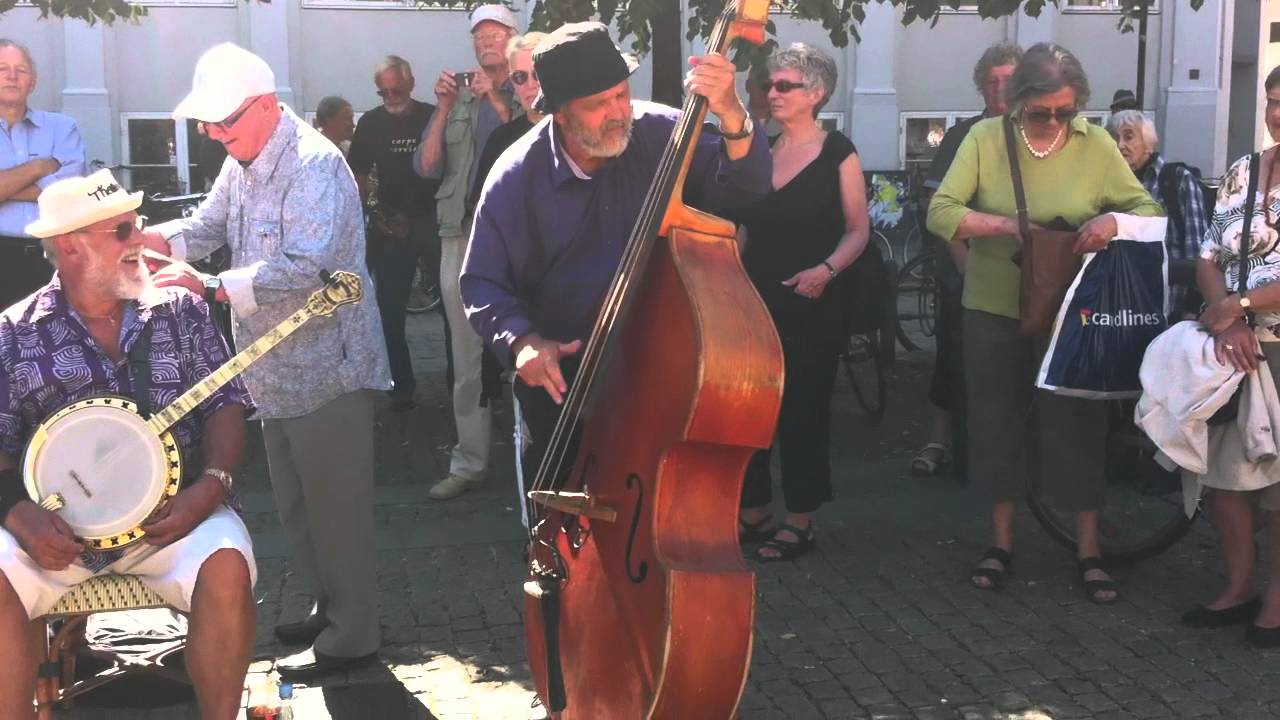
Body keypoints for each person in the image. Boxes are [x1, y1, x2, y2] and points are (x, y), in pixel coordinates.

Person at [141, 42, 391, 680]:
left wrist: (211, 285)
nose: (213, 133)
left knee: (336, 507)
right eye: (208, 123)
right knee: (299, 506)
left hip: (328, 369)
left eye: (224, 121)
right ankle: (325, 605)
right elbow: (208, 225)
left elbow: (306, 266)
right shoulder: (244, 156)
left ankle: (353, 632)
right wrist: (153, 241)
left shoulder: (313, 162)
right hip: (273, 369)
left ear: (266, 106)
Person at [460, 22, 769, 524]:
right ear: (559, 112)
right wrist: (521, 342)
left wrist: (733, 112)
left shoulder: (660, 132)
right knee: (555, 535)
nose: (619, 112)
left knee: (662, 521)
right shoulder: (515, 177)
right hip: (562, 382)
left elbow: (747, 189)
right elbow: (482, 283)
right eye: (598, 104)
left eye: (622, 94)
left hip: (660, 373)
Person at [0, 169, 255, 719]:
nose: (139, 239)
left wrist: (211, 488)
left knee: (227, 563)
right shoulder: (14, 334)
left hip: (176, 517)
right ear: (69, 247)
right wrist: (17, 515)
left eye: (135, 225)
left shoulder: (181, 312)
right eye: (120, 232)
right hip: (57, 540)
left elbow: (226, 402)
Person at [927, 43, 1162, 604]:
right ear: (1017, 101)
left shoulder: (1095, 141)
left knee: (1078, 423)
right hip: (993, 305)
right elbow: (942, 211)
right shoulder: (986, 139)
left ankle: (1087, 549)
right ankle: (1001, 542)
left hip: (1072, 308)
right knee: (996, 422)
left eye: (1066, 110)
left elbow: (1148, 213)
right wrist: (1010, 228)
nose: (1056, 120)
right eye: (1042, 112)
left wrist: (1110, 220)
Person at [731, 43, 869, 561]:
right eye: (771, 84)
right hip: (755, 301)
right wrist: (727, 279)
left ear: (816, 93)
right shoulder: (760, 149)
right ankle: (755, 508)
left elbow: (858, 230)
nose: (772, 93)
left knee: (804, 410)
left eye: (784, 85)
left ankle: (802, 518)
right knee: (749, 408)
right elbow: (746, 225)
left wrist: (826, 271)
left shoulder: (839, 151)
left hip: (812, 301)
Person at [1180, 65, 1280, 648]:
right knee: (1225, 479)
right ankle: (1239, 587)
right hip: (1236, 348)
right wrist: (1228, 313)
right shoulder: (1244, 171)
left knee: (1278, 488)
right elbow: (1208, 254)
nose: (1277, 114)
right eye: (1272, 101)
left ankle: (1276, 598)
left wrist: (1238, 304)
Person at [415, 4, 523, 500]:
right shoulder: (456, 100)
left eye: (496, 33)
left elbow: (530, 145)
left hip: (520, 238)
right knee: (464, 357)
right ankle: (470, 461)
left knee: (528, 348)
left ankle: (541, 461)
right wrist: (441, 109)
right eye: (479, 35)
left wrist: (499, 103)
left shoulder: (528, 88)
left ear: (514, 38)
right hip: (459, 236)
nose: (486, 43)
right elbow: (427, 167)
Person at [912, 42, 1022, 481]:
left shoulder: (1031, 135)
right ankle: (940, 440)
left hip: (1020, 274)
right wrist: (964, 266)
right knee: (956, 358)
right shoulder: (962, 135)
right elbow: (937, 205)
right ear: (981, 87)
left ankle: (1010, 450)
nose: (1000, 89)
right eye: (992, 81)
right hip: (966, 268)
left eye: (1008, 80)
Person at [465, 31, 545, 527]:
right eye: (520, 77)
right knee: (533, 437)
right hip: (529, 316)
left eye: (539, 72)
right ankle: (539, 539)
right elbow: (483, 226)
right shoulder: (502, 141)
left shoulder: (596, 133)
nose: (532, 86)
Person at [349, 56, 441, 412]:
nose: (390, 96)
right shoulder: (371, 123)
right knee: (389, 310)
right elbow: (357, 174)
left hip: (433, 220)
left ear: (411, 83)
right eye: (383, 91)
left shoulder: (431, 115)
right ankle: (401, 386)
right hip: (392, 223)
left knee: (451, 307)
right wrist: (373, 213)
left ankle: (457, 383)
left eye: (396, 89)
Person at [0, 38, 86, 308]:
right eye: (2, 68)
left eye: (21, 69)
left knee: (58, 346)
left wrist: (7, 187)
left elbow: (72, 191)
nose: (12, 76)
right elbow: (56, 189)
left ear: (32, 81)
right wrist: (40, 167)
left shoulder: (62, 128)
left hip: (54, 258)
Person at [1106, 109, 1207, 262]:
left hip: (1168, 282)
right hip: (1119, 281)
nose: (1120, 145)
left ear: (1148, 144)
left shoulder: (1178, 179)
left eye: (1128, 137)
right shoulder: (1106, 184)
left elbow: (1196, 250)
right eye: (1114, 139)